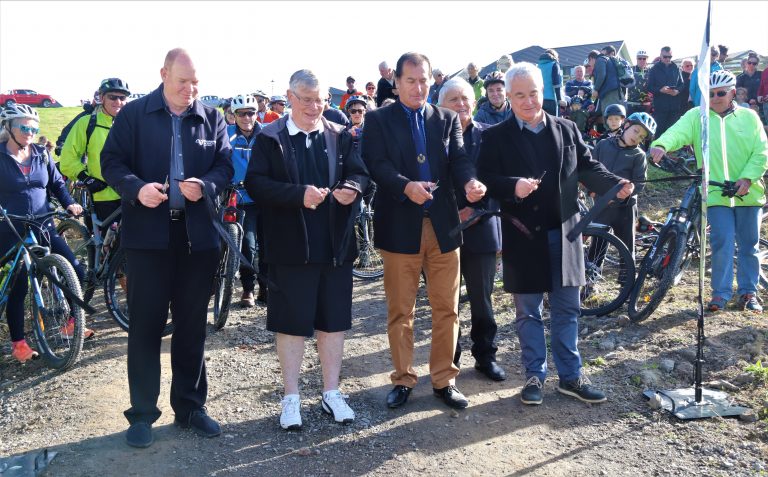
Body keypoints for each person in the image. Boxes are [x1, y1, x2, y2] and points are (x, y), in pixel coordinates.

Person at [476, 62, 633, 406]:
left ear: (542, 92)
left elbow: (589, 166)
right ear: (509, 97)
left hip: (566, 232)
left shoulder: (565, 129)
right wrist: (511, 186)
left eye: (533, 93)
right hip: (522, 236)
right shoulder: (495, 136)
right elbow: (484, 179)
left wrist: (613, 184)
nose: (528, 101)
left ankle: (571, 376)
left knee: (567, 309)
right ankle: (534, 374)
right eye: (519, 95)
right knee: (528, 312)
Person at [101, 48, 233, 448]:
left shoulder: (212, 118)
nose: (190, 90)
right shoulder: (134, 115)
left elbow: (225, 166)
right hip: (147, 239)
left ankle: (191, 407)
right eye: (182, 82)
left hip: (198, 240)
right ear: (163, 75)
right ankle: (142, 414)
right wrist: (136, 189)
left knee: (192, 326)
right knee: (145, 326)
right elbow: (111, 162)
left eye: (195, 82)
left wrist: (206, 186)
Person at [362, 52, 487, 411]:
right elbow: (376, 164)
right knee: (401, 311)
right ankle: (403, 379)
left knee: (446, 308)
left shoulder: (446, 119)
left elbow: (459, 161)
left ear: (432, 81)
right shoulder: (378, 120)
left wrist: (471, 183)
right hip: (400, 228)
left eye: (424, 80)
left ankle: (444, 380)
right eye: (411, 80)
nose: (419, 87)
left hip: (444, 227)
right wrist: (405, 186)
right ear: (397, 82)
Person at [244, 69, 368, 430]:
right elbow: (256, 184)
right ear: (290, 97)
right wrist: (298, 195)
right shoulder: (270, 137)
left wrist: (352, 188)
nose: (316, 107)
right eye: (308, 99)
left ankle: (332, 392)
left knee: (333, 323)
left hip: (335, 246)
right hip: (290, 248)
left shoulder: (339, 134)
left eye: (321, 100)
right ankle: (291, 397)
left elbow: (361, 174)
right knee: (292, 325)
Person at [649, 69, 768, 313]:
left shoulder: (750, 117)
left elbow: (761, 151)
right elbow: (677, 132)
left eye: (721, 93)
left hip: (748, 194)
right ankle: (720, 294)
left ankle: (748, 292)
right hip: (716, 193)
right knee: (721, 242)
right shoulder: (697, 116)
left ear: (733, 93)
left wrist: (747, 178)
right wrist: (661, 144)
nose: (715, 98)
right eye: (710, 93)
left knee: (749, 245)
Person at [0, 104, 85, 363]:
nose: (30, 132)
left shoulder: (40, 154)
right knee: (18, 287)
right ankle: (18, 344)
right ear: (8, 128)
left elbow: (58, 184)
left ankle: (72, 323)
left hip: (42, 224)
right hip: (9, 227)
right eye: (24, 127)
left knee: (75, 270)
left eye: (34, 128)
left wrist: (70, 202)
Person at [437, 78, 504, 381]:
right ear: (440, 106)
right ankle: (449, 360)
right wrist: (451, 211)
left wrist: (478, 208)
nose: (461, 105)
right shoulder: (432, 139)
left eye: (466, 99)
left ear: (475, 103)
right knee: (444, 300)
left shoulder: (490, 137)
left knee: (482, 298)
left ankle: (485, 356)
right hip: (443, 229)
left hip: (482, 227)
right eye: (454, 100)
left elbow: (501, 181)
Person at [59, 78, 130, 227]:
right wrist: (86, 178)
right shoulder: (87, 123)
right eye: (113, 97)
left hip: (131, 194)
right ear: (102, 98)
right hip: (103, 196)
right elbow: (67, 159)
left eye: (122, 97)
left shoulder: (132, 124)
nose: (118, 101)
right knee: (109, 246)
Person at [588, 112, 654, 259]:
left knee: (626, 246)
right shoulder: (603, 145)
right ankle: (591, 276)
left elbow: (639, 184)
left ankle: (627, 279)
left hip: (625, 208)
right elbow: (591, 168)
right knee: (597, 243)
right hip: (602, 204)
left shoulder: (639, 155)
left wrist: (621, 195)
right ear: (626, 125)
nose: (637, 137)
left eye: (641, 137)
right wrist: (590, 189)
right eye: (636, 131)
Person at [227, 94, 263, 307]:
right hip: (241, 199)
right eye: (241, 113)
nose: (246, 117)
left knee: (269, 245)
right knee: (247, 246)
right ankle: (248, 288)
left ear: (256, 113)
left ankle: (266, 289)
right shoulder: (226, 134)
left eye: (250, 113)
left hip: (266, 198)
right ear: (234, 115)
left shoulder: (266, 134)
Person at [647, 46, 683, 138]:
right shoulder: (654, 69)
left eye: (669, 57)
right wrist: (660, 90)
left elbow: (682, 85)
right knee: (659, 131)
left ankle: (671, 152)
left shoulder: (676, 68)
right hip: (660, 108)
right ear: (660, 55)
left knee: (672, 132)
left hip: (674, 107)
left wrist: (677, 91)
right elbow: (649, 87)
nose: (667, 59)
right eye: (665, 56)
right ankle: (657, 152)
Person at [589, 46, 622, 115]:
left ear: (591, 59)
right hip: (618, 94)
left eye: (589, 61)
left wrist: (596, 89)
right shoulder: (610, 61)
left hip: (609, 95)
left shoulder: (600, 59)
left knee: (609, 118)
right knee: (617, 118)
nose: (589, 64)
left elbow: (601, 75)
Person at [537, 49, 564, 117]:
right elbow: (556, 83)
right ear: (555, 56)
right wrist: (559, 100)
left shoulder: (537, 66)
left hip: (539, 99)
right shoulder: (554, 64)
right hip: (551, 100)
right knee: (553, 122)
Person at [627, 50, 651, 115]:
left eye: (644, 58)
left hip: (645, 105)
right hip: (631, 104)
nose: (642, 60)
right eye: (639, 58)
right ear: (636, 59)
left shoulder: (651, 71)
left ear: (647, 59)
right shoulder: (630, 69)